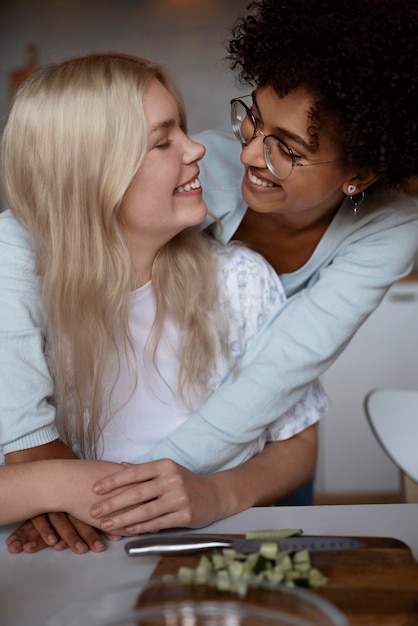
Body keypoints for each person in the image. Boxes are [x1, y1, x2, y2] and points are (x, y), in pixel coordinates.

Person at [2, 0, 418, 546]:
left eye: (286, 150)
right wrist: (42, 467)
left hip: (233, 477)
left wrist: (124, 497)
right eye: (252, 119)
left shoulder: (373, 237)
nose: (244, 153)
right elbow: (33, 225)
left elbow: (279, 378)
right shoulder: (206, 168)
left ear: (358, 174)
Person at [0, 52, 327, 553]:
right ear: (90, 175)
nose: (197, 149)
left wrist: (214, 494)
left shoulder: (239, 281)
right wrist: (54, 484)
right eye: (162, 141)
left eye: (184, 129)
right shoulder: (21, 306)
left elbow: (298, 444)